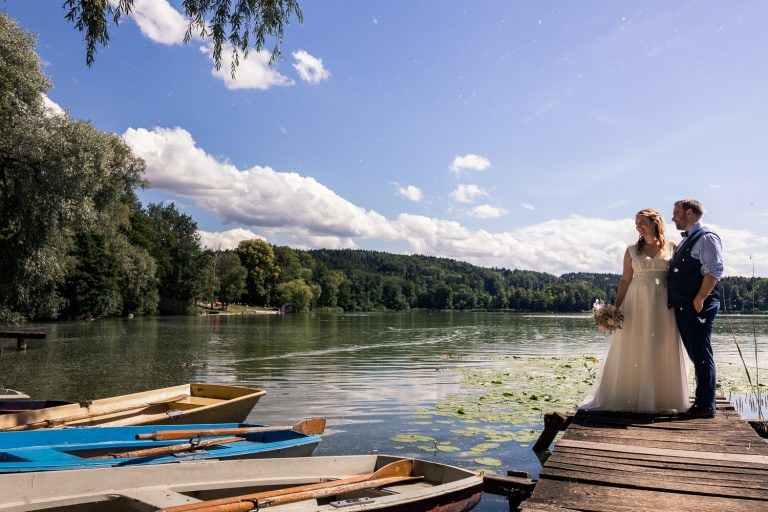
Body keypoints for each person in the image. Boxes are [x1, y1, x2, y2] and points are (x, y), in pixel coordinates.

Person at [580, 208, 689, 413]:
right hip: (636, 301)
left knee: (662, 344)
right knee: (635, 343)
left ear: (655, 223)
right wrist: (616, 307)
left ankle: (662, 398)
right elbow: (625, 279)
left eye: (642, 222)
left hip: (664, 303)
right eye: (636, 223)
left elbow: (681, 276)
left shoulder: (673, 246)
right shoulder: (631, 249)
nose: (638, 226)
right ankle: (629, 396)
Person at [668, 199, 723, 419]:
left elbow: (714, 271)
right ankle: (703, 402)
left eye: (676, 212)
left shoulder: (707, 237)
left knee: (701, 353)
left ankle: (705, 406)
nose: (673, 217)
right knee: (696, 353)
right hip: (685, 305)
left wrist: (700, 299)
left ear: (689, 213)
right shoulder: (688, 239)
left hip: (697, 305)